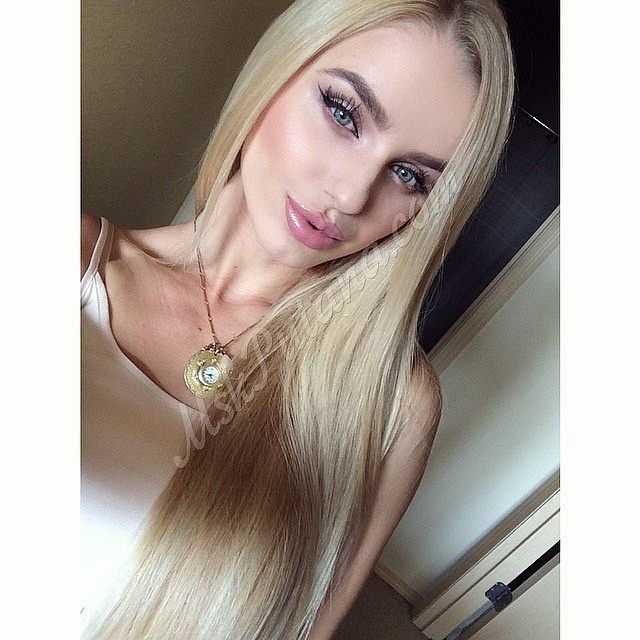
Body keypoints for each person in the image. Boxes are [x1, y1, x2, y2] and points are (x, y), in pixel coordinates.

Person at [81, 0, 515, 638]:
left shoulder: (389, 401)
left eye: (409, 175)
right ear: (276, 71)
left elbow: (305, 626)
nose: (351, 195)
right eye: (343, 112)